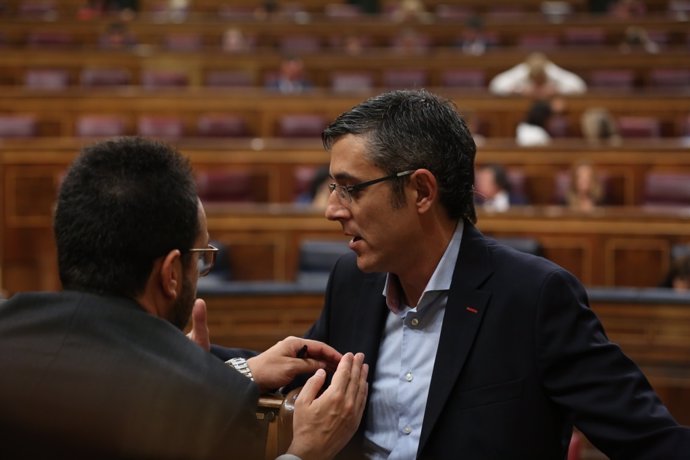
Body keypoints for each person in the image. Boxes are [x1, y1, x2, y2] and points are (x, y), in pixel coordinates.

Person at [298, 89, 690, 458]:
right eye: (333, 187)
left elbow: (651, 442)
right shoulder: (352, 281)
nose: (332, 209)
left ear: (421, 191)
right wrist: (244, 368)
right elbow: (295, 369)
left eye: (351, 189)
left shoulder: (535, 297)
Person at [0, 137, 368, 460]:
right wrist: (305, 452)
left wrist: (227, 371)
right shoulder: (206, 407)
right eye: (201, 257)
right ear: (171, 274)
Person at [489, 52, 587, 98]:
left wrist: (557, 90)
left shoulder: (552, 71)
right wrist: (520, 90)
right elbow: (495, 86)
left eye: (540, 79)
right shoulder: (522, 71)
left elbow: (580, 87)